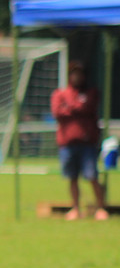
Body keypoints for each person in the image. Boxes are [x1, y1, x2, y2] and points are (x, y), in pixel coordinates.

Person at [51, 61, 108, 221]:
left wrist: (69, 107)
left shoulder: (91, 92)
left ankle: (101, 208)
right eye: (74, 73)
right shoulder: (60, 93)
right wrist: (76, 107)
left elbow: (88, 107)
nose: (77, 77)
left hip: (87, 143)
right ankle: (75, 208)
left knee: (92, 176)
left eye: (79, 74)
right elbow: (57, 111)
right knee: (72, 177)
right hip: (67, 144)